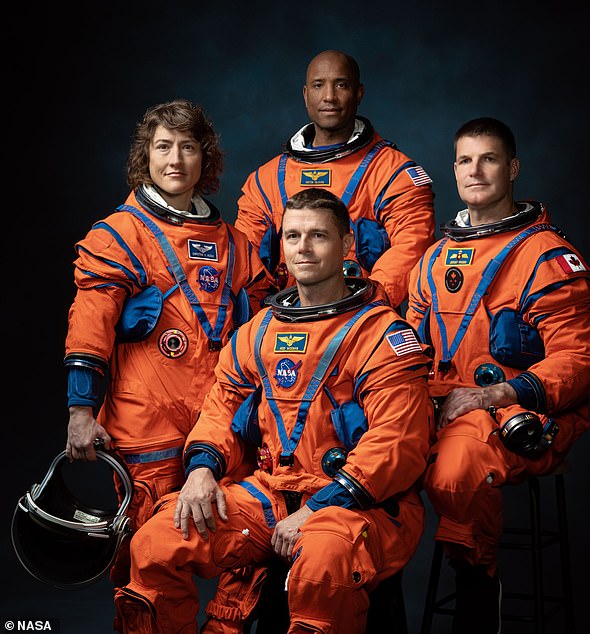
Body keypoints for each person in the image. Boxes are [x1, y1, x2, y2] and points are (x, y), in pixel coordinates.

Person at [114, 187, 434, 633]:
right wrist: (202, 469)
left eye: (318, 236)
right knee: (155, 541)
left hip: (360, 504)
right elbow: (221, 405)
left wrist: (320, 505)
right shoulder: (259, 331)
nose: (303, 247)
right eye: (293, 236)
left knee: (322, 565)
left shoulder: (381, 335)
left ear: (346, 247)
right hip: (270, 493)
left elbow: (399, 444)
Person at [63, 99, 274, 616]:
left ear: (206, 157)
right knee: (146, 559)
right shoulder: (119, 235)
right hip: (146, 430)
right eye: (163, 147)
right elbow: (89, 325)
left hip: (223, 425)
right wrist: (81, 410)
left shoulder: (237, 245)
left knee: (243, 545)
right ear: (146, 157)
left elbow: (269, 331)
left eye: (187, 146)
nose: (175, 159)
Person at [406, 117, 590, 632]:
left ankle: (477, 582)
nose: (476, 170)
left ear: (512, 167)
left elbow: (578, 362)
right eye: (465, 160)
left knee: (456, 467)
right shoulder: (432, 260)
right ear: (453, 171)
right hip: (440, 406)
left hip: (518, 411)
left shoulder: (547, 257)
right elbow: (407, 348)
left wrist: (498, 391)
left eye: (488, 159)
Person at [234, 49, 436, 310]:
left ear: (359, 93)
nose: (329, 97)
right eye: (319, 85)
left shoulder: (392, 172)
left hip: (360, 324)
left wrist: (363, 308)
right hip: (284, 323)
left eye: (341, 85)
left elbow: (412, 246)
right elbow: (244, 259)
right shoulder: (267, 180)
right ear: (306, 95)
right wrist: (265, 319)